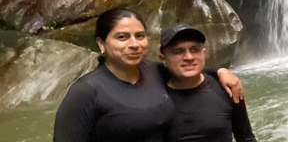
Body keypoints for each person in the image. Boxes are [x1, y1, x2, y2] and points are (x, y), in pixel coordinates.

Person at [53, 8, 244, 142]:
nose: (134, 44)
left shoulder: (152, 70)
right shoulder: (86, 92)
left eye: (139, 36)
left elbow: (185, 68)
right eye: (122, 37)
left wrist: (221, 71)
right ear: (102, 44)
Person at [159, 23, 257, 142]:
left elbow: (246, 138)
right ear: (163, 58)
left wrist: (221, 71)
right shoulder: (154, 94)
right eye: (178, 51)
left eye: (195, 50)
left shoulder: (228, 88)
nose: (189, 57)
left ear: (204, 53)